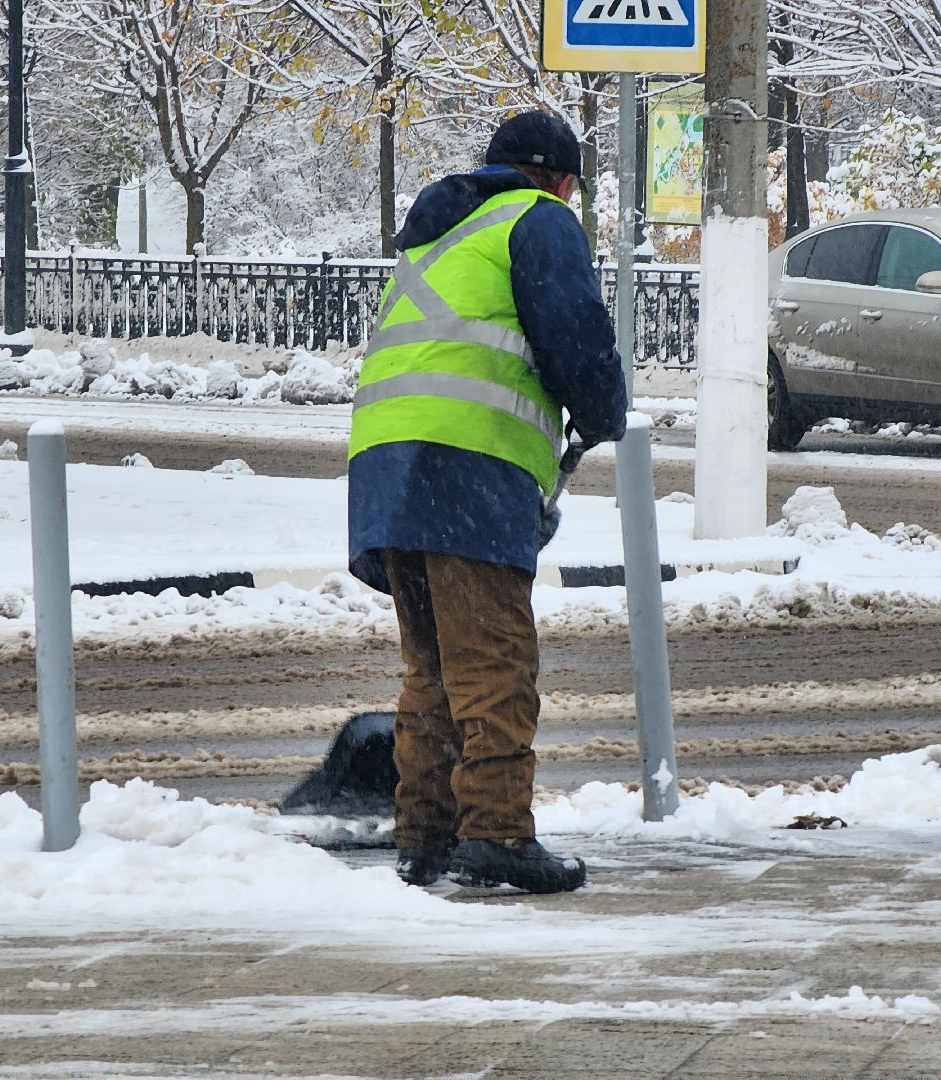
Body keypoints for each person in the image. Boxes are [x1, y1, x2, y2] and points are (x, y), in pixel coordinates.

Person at [346, 110, 628, 894]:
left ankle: (427, 834)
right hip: (466, 460)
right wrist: (605, 410)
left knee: (432, 667)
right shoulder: (537, 219)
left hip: (389, 461)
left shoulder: (440, 234)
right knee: (495, 659)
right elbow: (575, 330)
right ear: (562, 181)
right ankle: (498, 834)